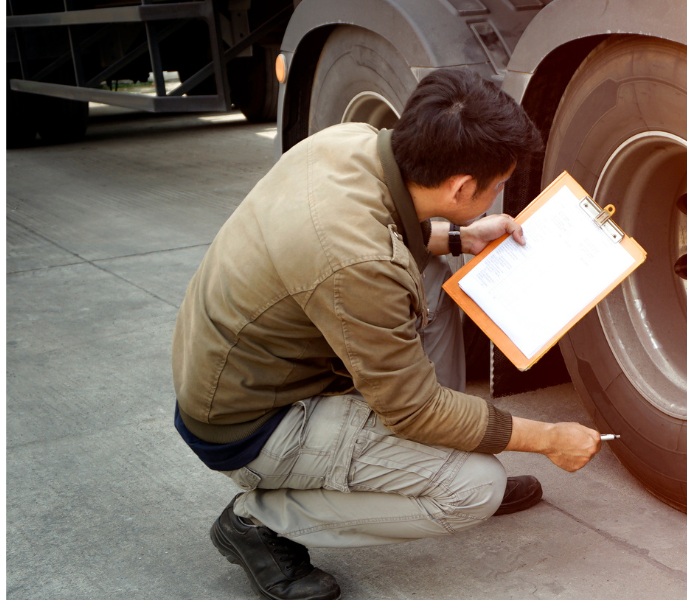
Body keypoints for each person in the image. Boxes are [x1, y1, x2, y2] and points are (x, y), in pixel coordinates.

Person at [170, 67, 602, 600]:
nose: (497, 195)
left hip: (246, 366)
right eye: (495, 186)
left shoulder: (351, 141)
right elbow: (413, 409)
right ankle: (259, 521)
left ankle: (437, 456)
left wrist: (462, 235)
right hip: (253, 424)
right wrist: (548, 439)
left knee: (436, 279)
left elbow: (389, 219)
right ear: (461, 185)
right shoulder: (357, 263)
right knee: (473, 489)